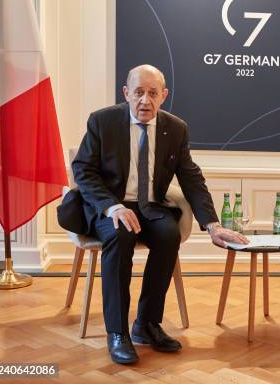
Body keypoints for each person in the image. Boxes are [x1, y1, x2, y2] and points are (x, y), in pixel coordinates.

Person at [72, 64, 248, 364]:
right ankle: (118, 332)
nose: (145, 101)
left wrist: (213, 225)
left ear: (163, 95)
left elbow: (191, 177)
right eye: (138, 92)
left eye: (152, 93)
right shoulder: (102, 121)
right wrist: (111, 206)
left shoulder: (175, 128)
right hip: (109, 205)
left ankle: (147, 324)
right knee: (120, 234)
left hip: (149, 207)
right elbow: (82, 170)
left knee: (169, 235)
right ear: (126, 93)